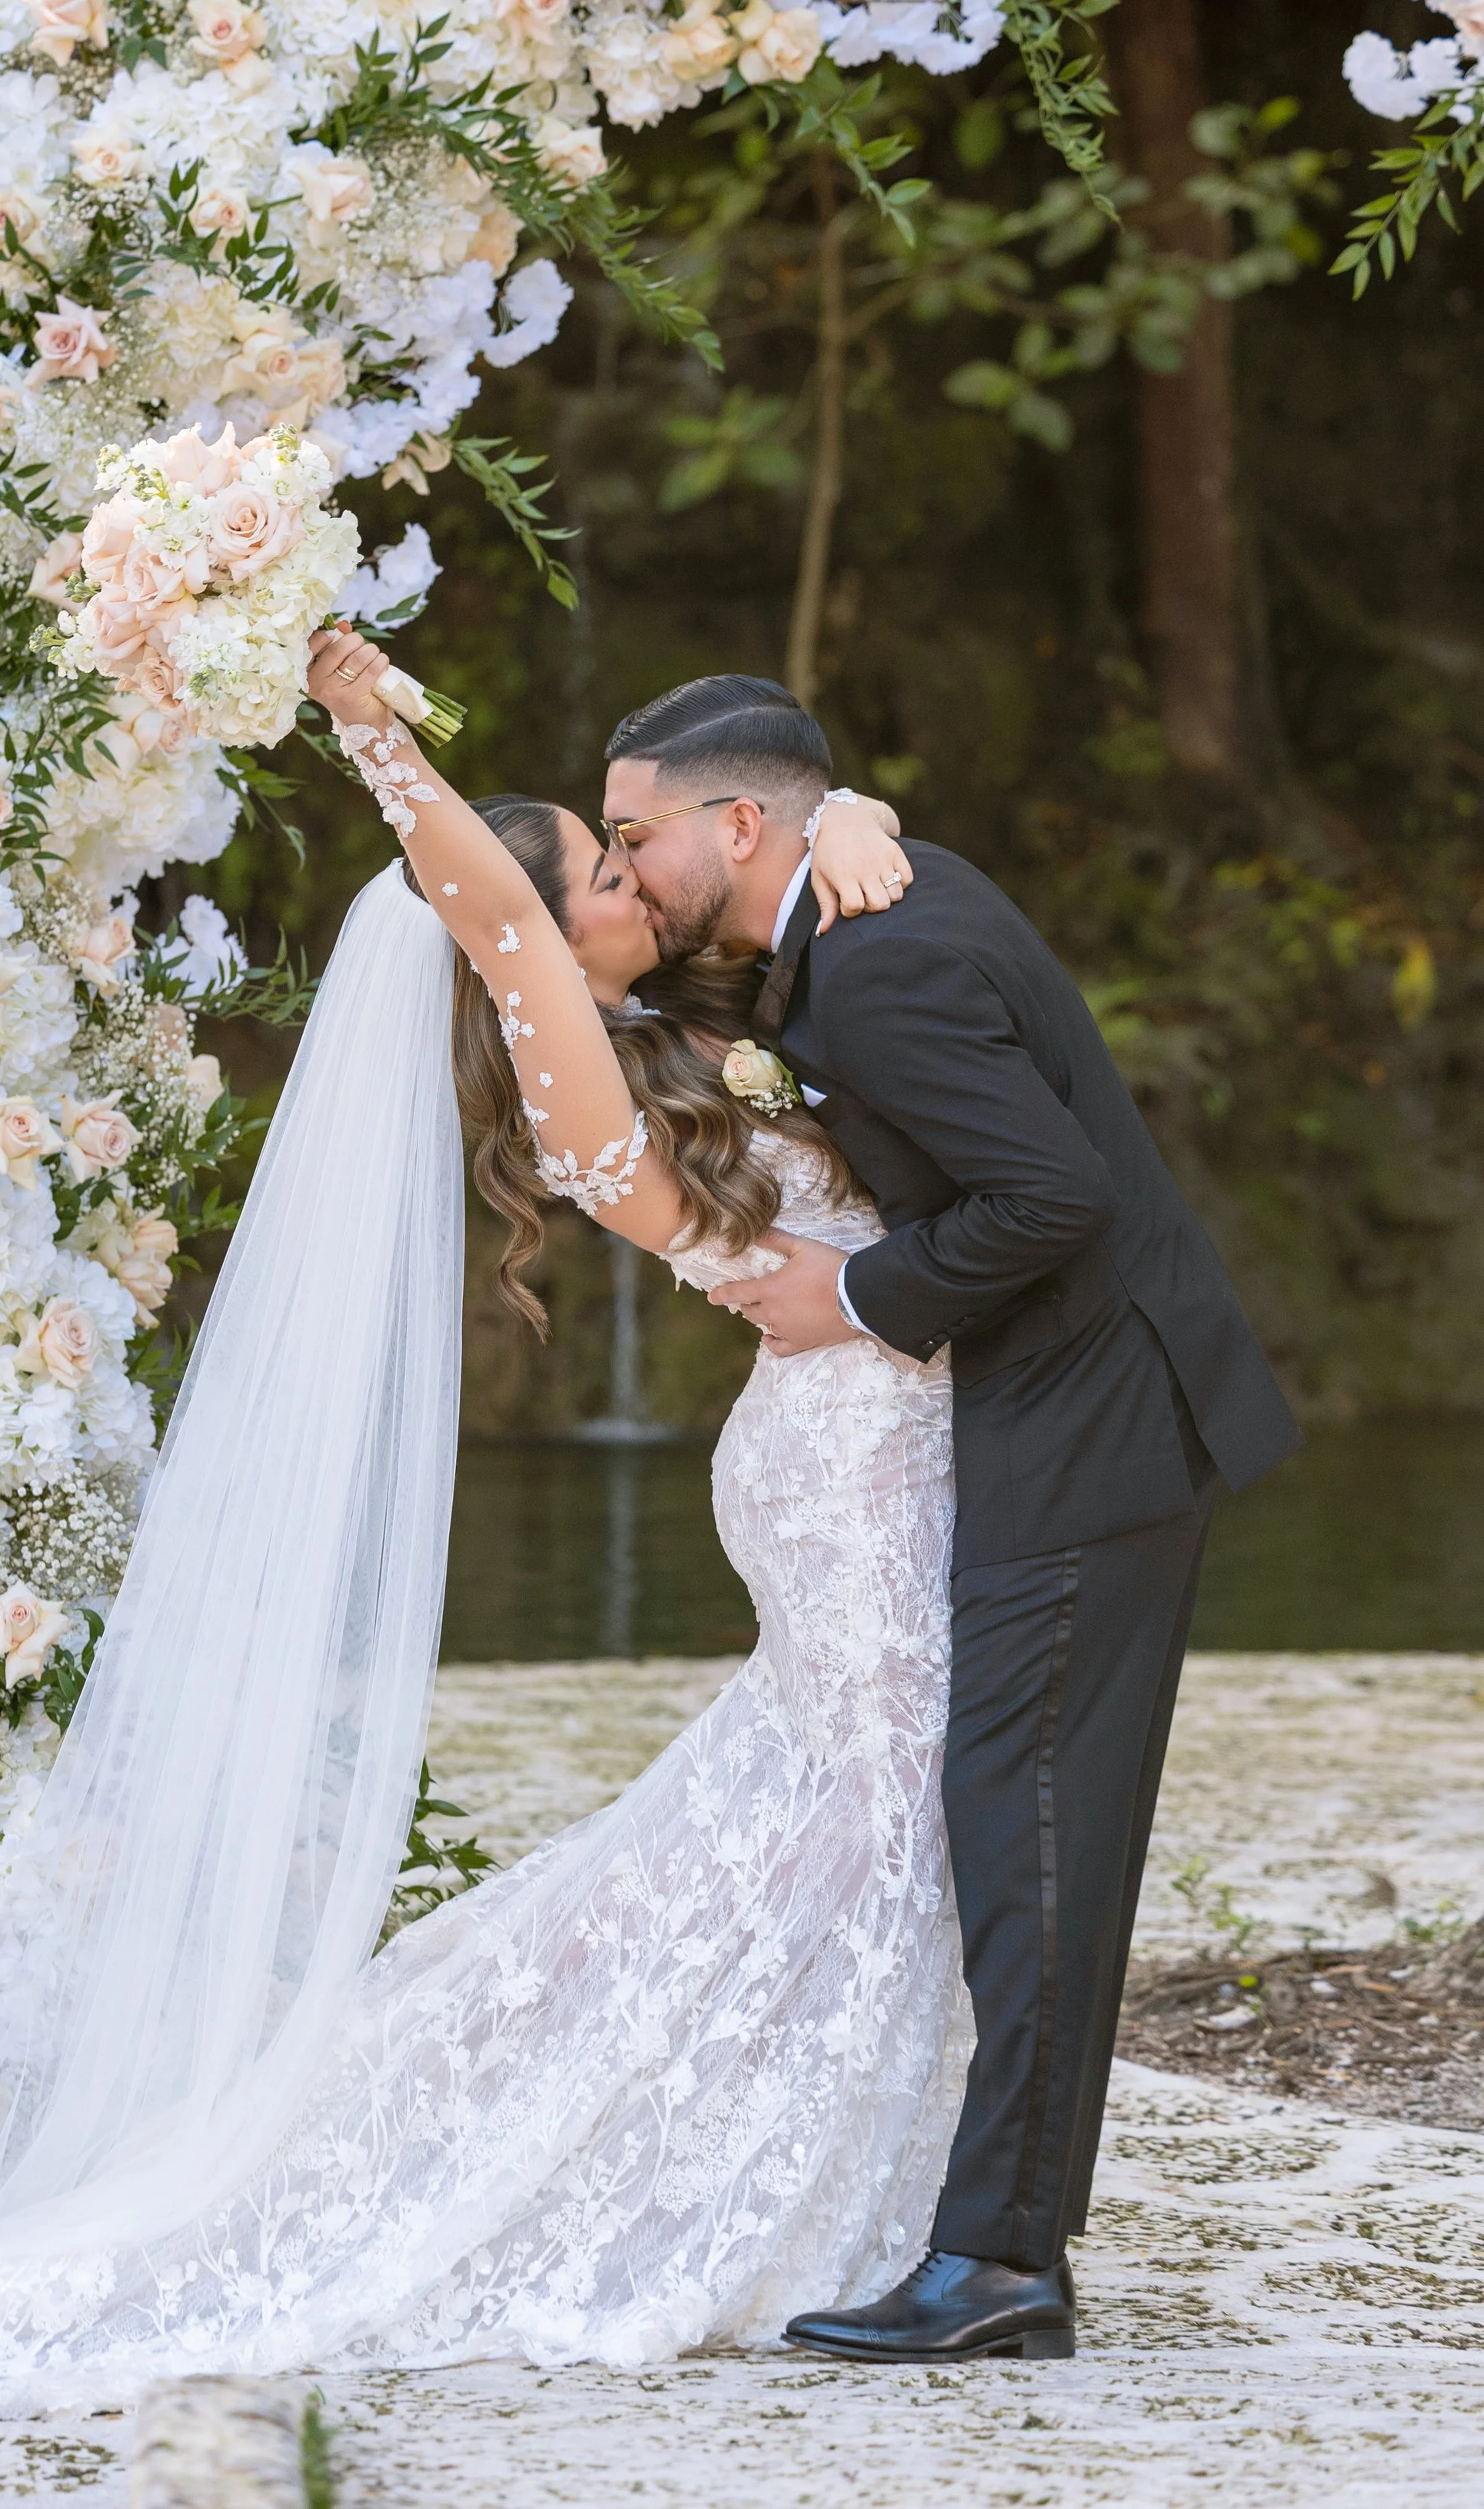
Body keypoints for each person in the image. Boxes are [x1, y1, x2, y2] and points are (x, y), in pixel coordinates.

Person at [0, 647, 959, 2404]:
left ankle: (764, 2156)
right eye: (594, 871)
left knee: (820, 1824)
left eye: (626, 860)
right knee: (859, 1815)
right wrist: (370, 723)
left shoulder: (681, 1026)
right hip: (838, 1470)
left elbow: (770, 864)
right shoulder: (565, 1062)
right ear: (497, 930)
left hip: (865, 1442)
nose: (627, 887)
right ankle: (693, 2174)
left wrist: (857, 820)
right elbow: (498, 906)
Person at [593, 671, 1302, 2364]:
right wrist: (856, 806)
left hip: (1088, 1429)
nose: (625, 861)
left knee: (1025, 1842)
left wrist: (862, 1297)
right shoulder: (855, 900)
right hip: (1067, 1414)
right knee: (1020, 1834)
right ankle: (1003, 2244)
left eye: (636, 834)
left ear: (738, 823)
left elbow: (1047, 1197)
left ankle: (998, 2265)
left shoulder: (879, 949)